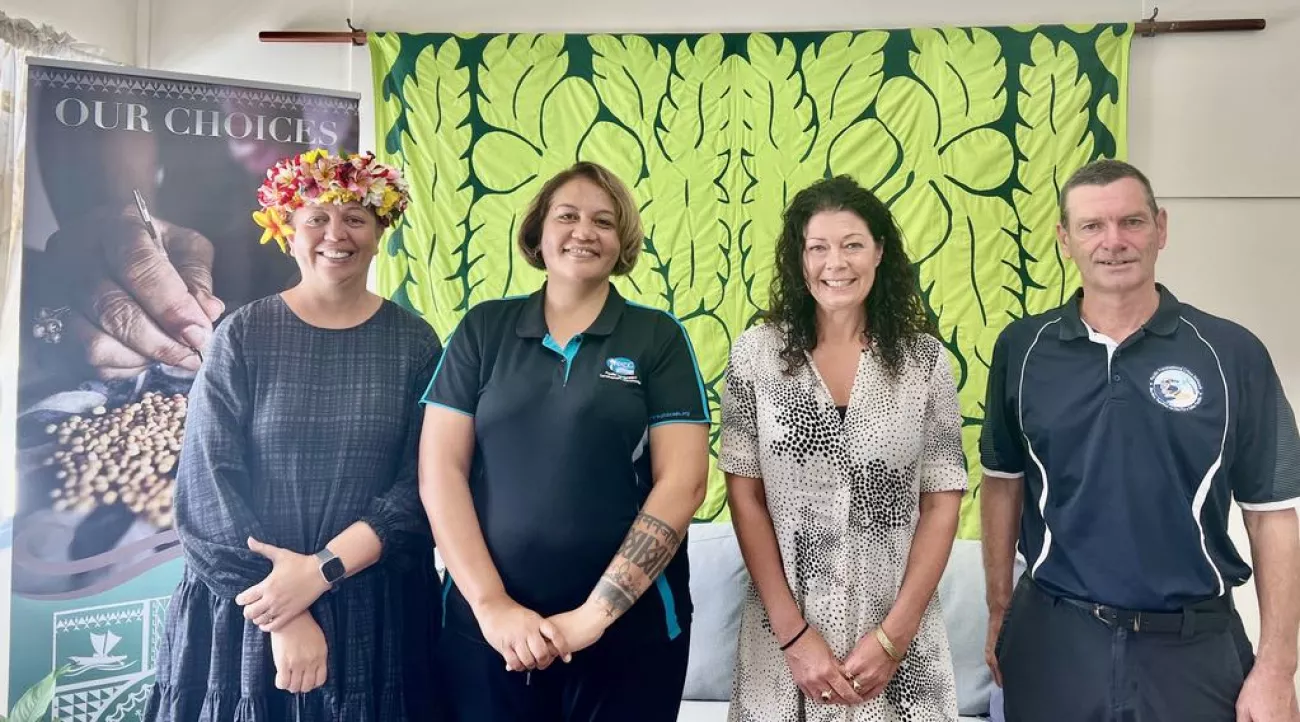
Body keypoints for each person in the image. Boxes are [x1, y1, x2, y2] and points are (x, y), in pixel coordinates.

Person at [980, 159, 1300, 722]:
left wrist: (1277, 667)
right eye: (1092, 227)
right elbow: (1002, 486)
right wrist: (999, 611)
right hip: (1054, 640)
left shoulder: (1231, 353)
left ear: (1161, 228)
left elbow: (1271, 516)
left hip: (1193, 648)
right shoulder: (1022, 350)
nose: (1114, 242)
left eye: (1131, 222)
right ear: (1064, 239)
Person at [143, 149, 444, 722]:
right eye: (317, 218)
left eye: (356, 217)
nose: (337, 234)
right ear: (287, 230)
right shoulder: (241, 336)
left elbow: (423, 486)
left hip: (374, 610)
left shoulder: (415, 343)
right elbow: (206, 491)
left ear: (381, 229)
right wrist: (283, 609)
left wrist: (320, 571)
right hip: (249, 612)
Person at [418, 161, 711, 722]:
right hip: (487, 634)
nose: (584, 231)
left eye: (604, 221)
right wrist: (493, 606)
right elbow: (440, 474)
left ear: (621, 242)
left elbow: (684, 483)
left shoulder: (657, 337)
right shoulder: (485, 329)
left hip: (630, 632)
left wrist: (593, 617)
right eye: (567, 216)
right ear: (538, 233)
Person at [719, 175, 968, 721]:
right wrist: (794, 638)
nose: (837, 262)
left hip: (899, 636)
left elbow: (942, 502)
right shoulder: (756, 355)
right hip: (782, 643)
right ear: (799, 259)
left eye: (853, 244)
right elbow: (745, 499)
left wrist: (892, 639)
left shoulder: (924, 362)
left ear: (879, 252)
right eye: (818, 247)